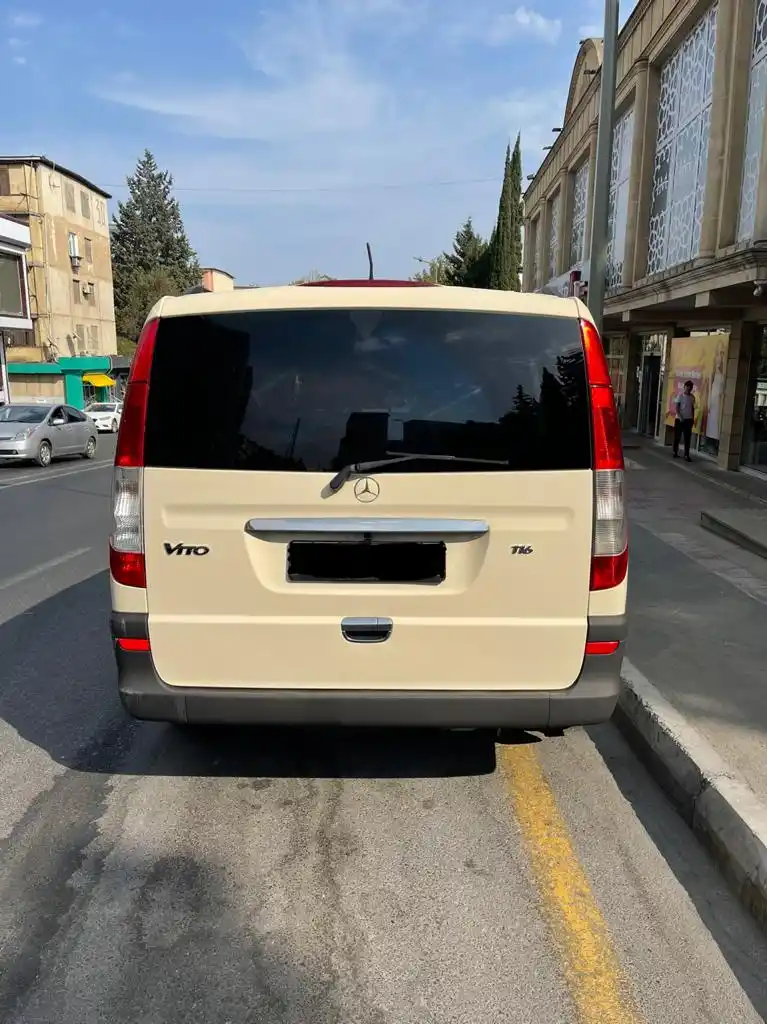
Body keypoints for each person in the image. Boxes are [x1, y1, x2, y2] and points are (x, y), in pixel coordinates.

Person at [673, 380, 695, 461]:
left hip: (688, 419)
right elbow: (677, 408)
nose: (688, 389)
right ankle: (675, 452)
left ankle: (686, 455)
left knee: (687, 438)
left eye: (690, 388)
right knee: (677, 437)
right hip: (679, 419)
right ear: (684, 387)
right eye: (687, 387)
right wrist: (680, 416)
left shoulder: (692, 397)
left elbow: (692, 408)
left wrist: (692, 418)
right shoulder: (680, 396)